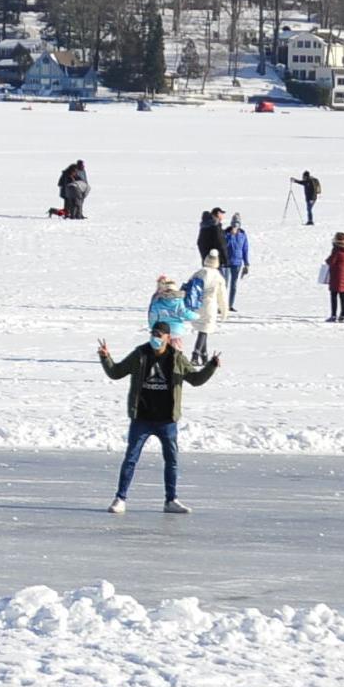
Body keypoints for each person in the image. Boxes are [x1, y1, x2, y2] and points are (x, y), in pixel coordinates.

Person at [99, 321, 221, 515]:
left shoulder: (176, 358)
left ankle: (171, 500)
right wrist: (105, 358)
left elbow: (195, 380)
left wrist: (211, 366)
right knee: (131, 458)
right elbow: (116, 372)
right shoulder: (140, 354)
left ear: (167, 337)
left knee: (171, 460)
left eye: (159, 335)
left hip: (167, 420)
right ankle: (120, 498)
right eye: (153, 334)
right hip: (142, 418)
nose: (155, 338)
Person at [187, 250, 229, 361]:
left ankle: (204, 354)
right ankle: (195, 355)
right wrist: (225, 311)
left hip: (197, 304)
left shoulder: (199, 272)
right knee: (204, 330)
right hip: (210, 305)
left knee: (203, 328)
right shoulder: (218, 276)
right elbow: (222, 296)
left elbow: (188, 287)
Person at [325, 231, 344, 322]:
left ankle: (333, 315)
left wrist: (327, 260)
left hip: (336, 274)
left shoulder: (336, 249)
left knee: (334, 294)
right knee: (343, 295)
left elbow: (331, 261)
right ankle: (343, 314)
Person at [223, 213, 250, 310]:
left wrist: (246, 264)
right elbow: (223, 245)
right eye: (234, 223)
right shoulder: (226, 233)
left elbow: (245, 249)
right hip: (225, 262)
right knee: (224, 285)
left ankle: (230, 305)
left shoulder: (242, 235)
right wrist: (230, 235)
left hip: (237, 263)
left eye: (237, 223)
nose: (235, 225)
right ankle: (222, 305)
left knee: (233, 285)